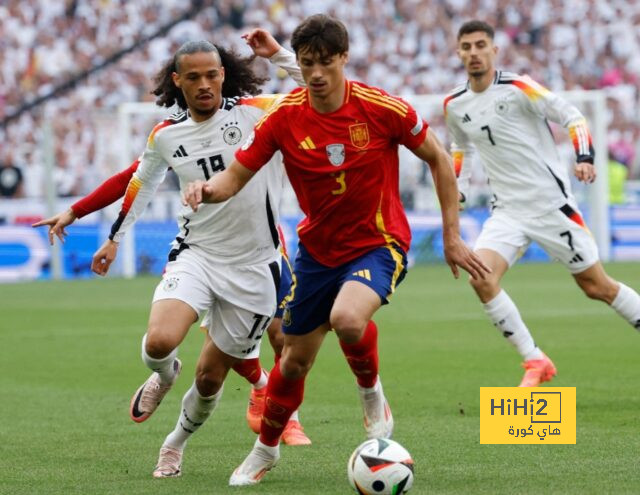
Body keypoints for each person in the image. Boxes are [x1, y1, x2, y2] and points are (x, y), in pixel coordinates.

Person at [183, 14, 489, 486]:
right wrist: (207, 189)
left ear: (344, 58)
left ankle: (371, 392)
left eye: (327, 62)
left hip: (378, 242)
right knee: (294, 359)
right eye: (307, 64)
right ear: (300, 63)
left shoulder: (380, 107)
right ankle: (265, 451)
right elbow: (235, 176)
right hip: (317, 252)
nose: (317, 73)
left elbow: (439, 158)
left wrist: (452, 236)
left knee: (347, 318)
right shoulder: (284, 116)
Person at [51, 37, 309, 479]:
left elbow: (317, 88)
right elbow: (139, 183)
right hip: (198, 255)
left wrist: (278, 54)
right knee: (158, 343)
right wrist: (113, 236)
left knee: (210, 379)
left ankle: (174, 444)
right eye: (193, 77)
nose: (205, 84)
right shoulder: (166, 135)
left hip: (254, 267)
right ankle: (164, 374)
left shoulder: (257, 111)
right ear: (178, 81)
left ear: (223, 74)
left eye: (212, 74)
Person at [444, 20, 640, 387]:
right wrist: (459, 188)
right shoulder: (455, 105)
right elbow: (462, 149)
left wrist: (584, 157)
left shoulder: (518, 88)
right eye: (467, 46)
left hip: (552, 207)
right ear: (458, 53)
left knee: (597, 287)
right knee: (481, 277)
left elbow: (572, 116)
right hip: (508, 212)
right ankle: (535, 360)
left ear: (494, 50)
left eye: (480, 45)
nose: (474, 53)